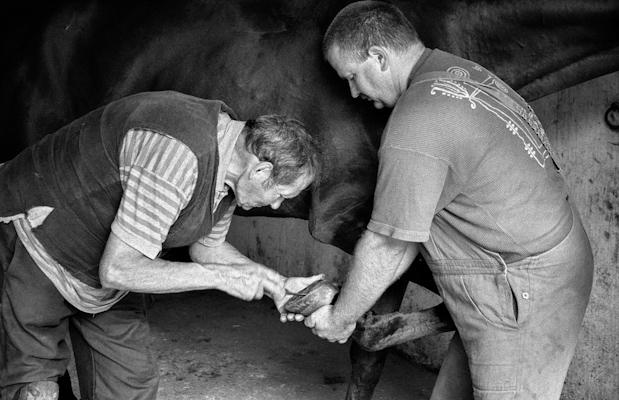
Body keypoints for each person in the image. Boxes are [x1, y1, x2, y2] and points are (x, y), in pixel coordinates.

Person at [306, 2, 594, 399]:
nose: (353, 92)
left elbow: (390, 246)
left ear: (378, 56)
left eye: (353, 77)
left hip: (523, 289)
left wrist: (341, 318)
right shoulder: (461, 73)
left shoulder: (419, 120)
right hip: (525, 269)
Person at [0, 90, 322, 400]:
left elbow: (207, 249)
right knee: (35, 390)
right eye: (280, 195)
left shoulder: (230, 172)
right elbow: (118, 269)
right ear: (260, 170)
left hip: (104, 269)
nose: (277, 206)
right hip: (36, 241)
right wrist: (220, 279)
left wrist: (277, 285)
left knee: (130, 386)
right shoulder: (179, 153)